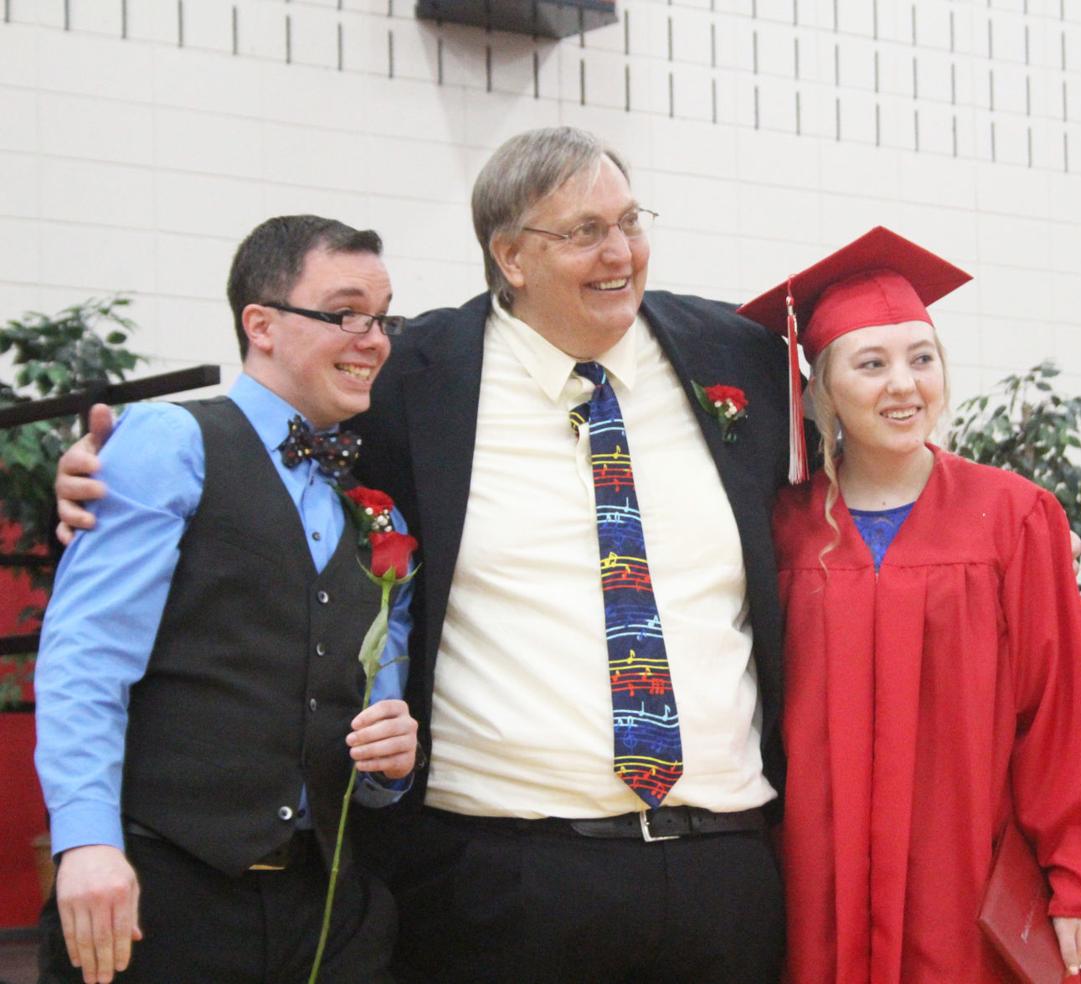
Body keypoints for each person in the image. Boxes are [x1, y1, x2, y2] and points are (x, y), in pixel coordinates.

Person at [58, 127, 792, 983]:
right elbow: (268, 442)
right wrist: (89, 480)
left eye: (630, 220)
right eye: (584, 231)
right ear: (511, 256)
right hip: (502, 878)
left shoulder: (738, 356)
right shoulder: (410, 379)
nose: (621, 251)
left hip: (726, 867)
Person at [737, 227, 1081, 983]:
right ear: (824, 388)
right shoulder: (781, 528)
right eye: (872, 364)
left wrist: (1080, 881)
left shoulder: (1013, 518)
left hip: (958, 873)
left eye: (921, 359)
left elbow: (1063, 704)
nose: (904, 384)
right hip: (810, 876)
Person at [34, 215, 420, 984]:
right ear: (262, 324)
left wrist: (391, 761)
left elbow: (376, 694)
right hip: (161, 891)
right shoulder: (170, 440)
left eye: (381, 318)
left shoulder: (377, 511)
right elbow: (87, 654)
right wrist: (86, 843)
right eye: (345, 313)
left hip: (327, 909)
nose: (372, 338)